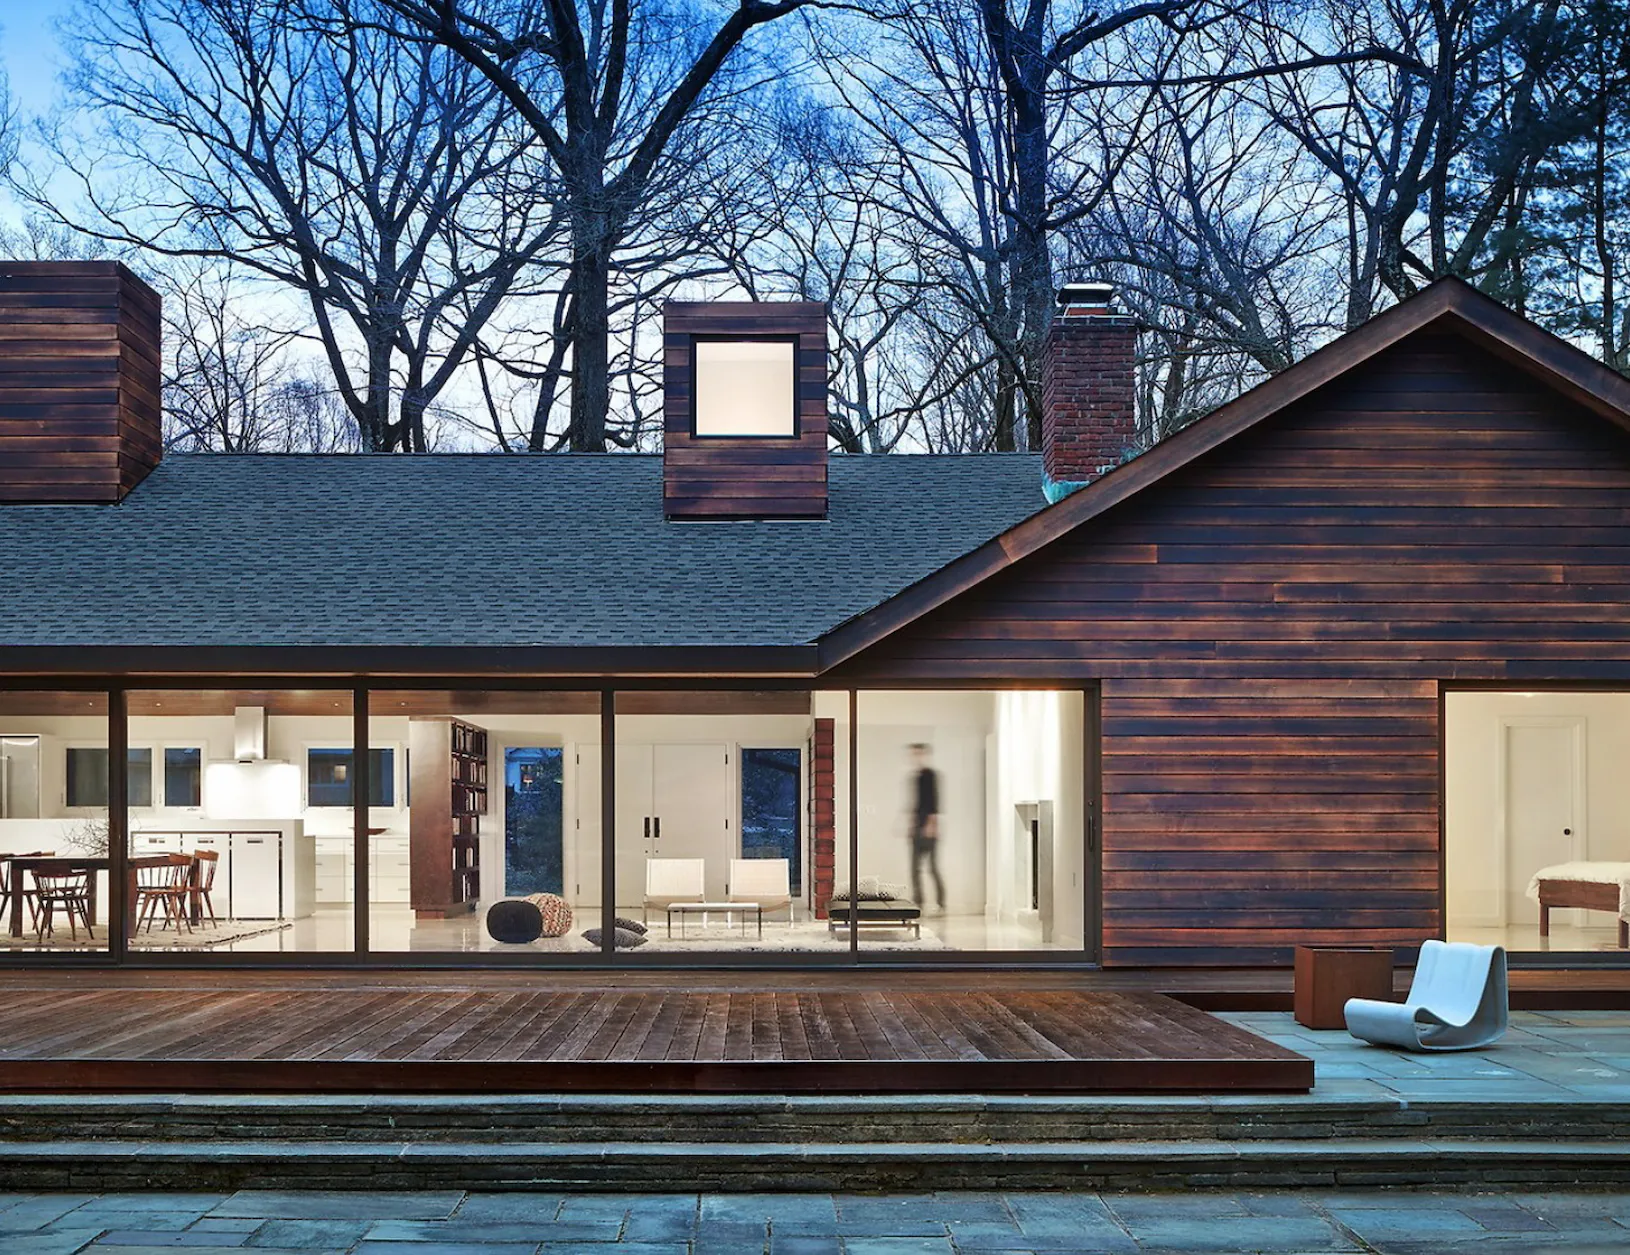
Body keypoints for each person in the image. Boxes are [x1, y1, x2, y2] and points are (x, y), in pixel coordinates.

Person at [908, 743, 945, 912]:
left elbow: (934, 802)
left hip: (928, 828)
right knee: (915, 868)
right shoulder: (916, 777)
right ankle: (919, 902)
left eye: (919, 754)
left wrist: (931, 825)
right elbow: (917, 804)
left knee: (932, 867)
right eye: (914, 754)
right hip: (917, 827)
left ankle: (941, 903)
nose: (916, 757)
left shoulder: (930, 776)